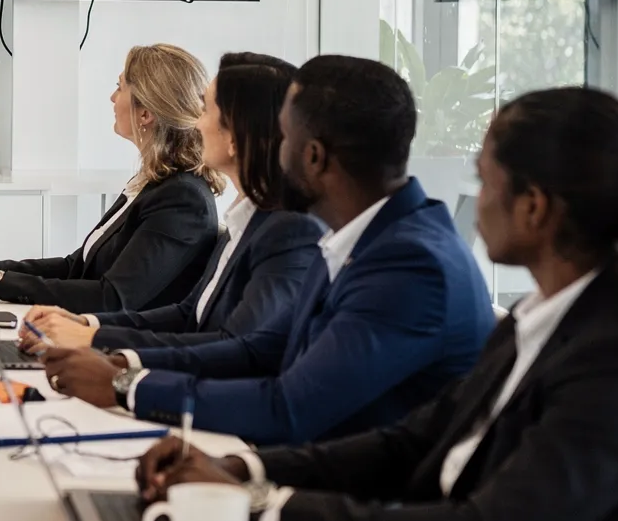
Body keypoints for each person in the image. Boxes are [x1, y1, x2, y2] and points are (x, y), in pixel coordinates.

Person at [138, 87, 618, 521]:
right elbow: (408, 443)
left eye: (485, 182)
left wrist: (263, 508)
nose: (475, 204)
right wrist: (248, 472)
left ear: (534, 207)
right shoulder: (540, 323)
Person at [40, 55, 495, 446]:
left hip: (352, 508)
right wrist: (121, 362)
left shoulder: (409, 265)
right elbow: (263, 350)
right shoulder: (359, 237)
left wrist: (126, 386)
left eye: (282, 134)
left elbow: (289, 407)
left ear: (312, 156)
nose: (270, 147)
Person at [23, 53, 322, 351]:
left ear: (236, 135)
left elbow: (237, 348)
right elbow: (190, 314)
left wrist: (108, 354)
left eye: (205, 110)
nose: (196, 123)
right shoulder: (246, 220)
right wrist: (89, 326)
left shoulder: (285, 229)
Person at [0, 44, 219, 313]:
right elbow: (76, 267)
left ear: (145, 113)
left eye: (119, 87)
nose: (112, 97)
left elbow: (112, 297)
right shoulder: (152, 183)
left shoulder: (182, 198)